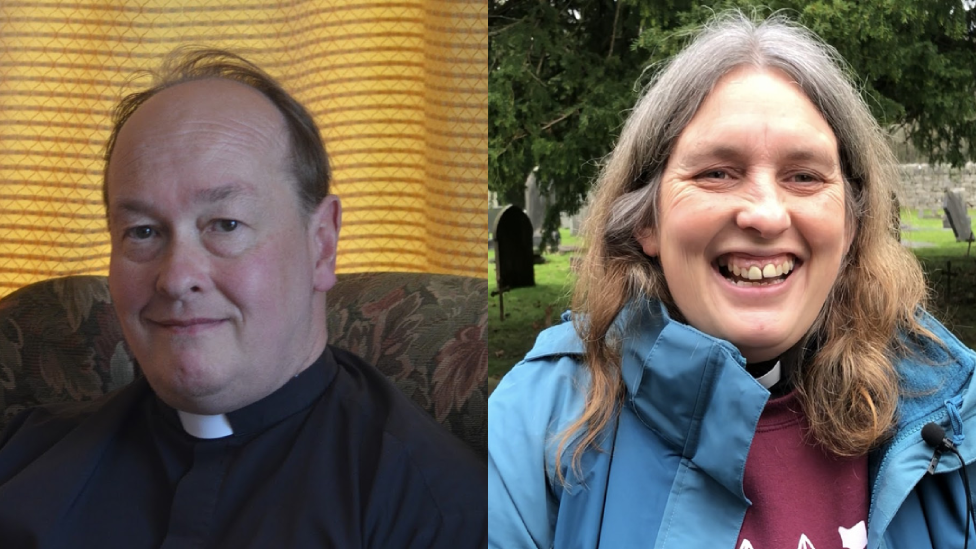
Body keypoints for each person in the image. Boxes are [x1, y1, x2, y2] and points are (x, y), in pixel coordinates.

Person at [488, 11, 976, 549]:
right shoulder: (535, 423)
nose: (765, 215)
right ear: (647, 220)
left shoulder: (947, 417)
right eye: (716, 173)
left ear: (852, 223)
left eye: (804, 176)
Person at [0, 48, 486, 548]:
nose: (175, 278)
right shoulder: (21, 454)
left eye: (226, 225)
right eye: (142, 232)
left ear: (321, 244)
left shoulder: (437, 512)